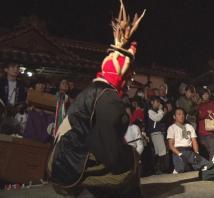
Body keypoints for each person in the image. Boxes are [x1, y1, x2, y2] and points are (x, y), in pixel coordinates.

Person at [48, 2, 145, 197]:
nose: (130, 81)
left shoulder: (92, 90)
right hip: (72, 165)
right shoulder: (108, 97)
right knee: (131, 157)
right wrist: (127, 156)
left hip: (62, 160)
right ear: (122, 75)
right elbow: (109, 150)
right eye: (129, 77)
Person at [167, 107, 209, 173]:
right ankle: (180, 167)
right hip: (178, 152)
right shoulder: (171, 128)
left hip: (189, 151)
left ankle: (194, 165)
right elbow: (171, 145)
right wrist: (180, 154)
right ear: (174, 117)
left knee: (205, 164)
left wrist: (197, 153)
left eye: (183, 114)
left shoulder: (189, 126)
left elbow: (194, 141)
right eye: (179, 114)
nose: (182, 116)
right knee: (181, 169)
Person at [146, 96, 168, 174]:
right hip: (155, 133)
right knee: (161, 151)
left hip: (159, 132)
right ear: (152, 102)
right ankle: (158, 169)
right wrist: (161, 110)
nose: (158, 104)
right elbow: (157, 118)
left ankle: (159, 168)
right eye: (157, 102)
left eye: (159, 102)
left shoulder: (156, 111)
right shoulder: (150, 111)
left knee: (160, 151)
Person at [197, 87, 214, 160]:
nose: (206, 96)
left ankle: (212, 166)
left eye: (206, 94)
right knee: (206, 151)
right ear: (201, 96)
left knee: (212, 151)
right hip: (202, 132)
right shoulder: (199, 105)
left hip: (210, 131)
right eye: (204, 94)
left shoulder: (212, 103)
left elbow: (213, 114)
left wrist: (205, 114)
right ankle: (208, 166)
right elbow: (199, 115)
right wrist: (207, 113)